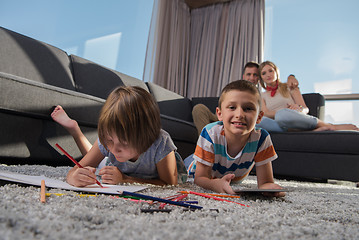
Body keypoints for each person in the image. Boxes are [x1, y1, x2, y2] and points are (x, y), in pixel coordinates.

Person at [53, 86, 187, 187]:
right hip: (115, 165)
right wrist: (73, 177)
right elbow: (75, 171)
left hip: (157, 171)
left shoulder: (160, 143)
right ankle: (76, 131)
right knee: (99, 161)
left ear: (147, 136)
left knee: (101, 161)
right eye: (110, 140)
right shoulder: (108, 141)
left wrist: (125, 179)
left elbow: (169, 184)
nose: (115, 149)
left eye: (125, 142)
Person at [188, 80, 285, 197]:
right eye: (232, 107)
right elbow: (200, 178)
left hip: (234, 179)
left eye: (248, 108)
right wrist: (214, 184)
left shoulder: (262, 138)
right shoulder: (210, 133)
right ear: (220, 114)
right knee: (180, 169)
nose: (239, 114)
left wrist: (271, 188)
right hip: (196, 168)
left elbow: (265, 182)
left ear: (259, 117)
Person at [192, 61, 299, 135]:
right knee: (199, 108)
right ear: (244, 76)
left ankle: (212, 148)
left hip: (237, 121)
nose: (251, 78)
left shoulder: (260, 95)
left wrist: (291, 76)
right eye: (249, 74)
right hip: (220, 119)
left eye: (255, 75)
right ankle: (205, 145)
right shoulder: (234, 88)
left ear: (259, 78)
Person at [258, 61, 359, 132]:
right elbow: (265, 113)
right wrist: (283, 110)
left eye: (270, 71)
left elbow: (305, 109)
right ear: (261, 78)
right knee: (258, 122)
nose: (268, 74)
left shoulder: (290, 86)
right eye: (264, 73)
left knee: (283, 115)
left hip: (292, 117)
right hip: (278, 124)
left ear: (276, 72)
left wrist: (298, 109)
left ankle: (326, 125)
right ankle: (308, 131)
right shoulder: (261, 95)